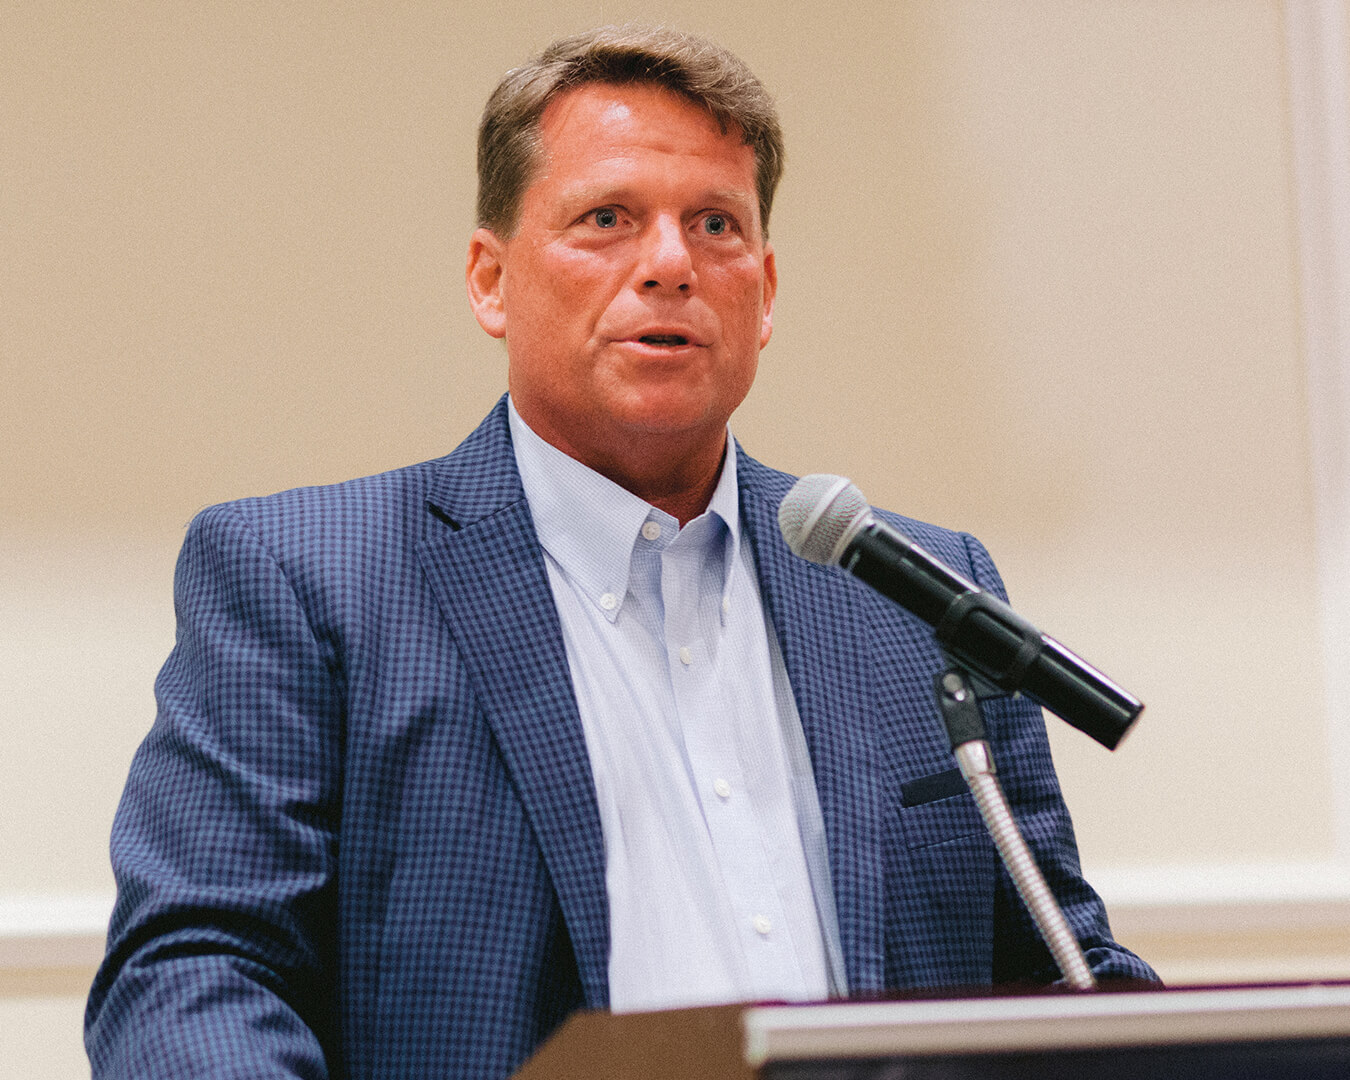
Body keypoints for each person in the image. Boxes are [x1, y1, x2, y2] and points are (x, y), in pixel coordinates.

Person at [85, 25, 1155, 1080]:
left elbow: (1060, 973)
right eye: (607, 219)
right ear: (490, 280)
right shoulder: (308, 579)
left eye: (715, 225)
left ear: (765, 292)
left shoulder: (908, 593)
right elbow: (195, 970)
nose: (671, 264)